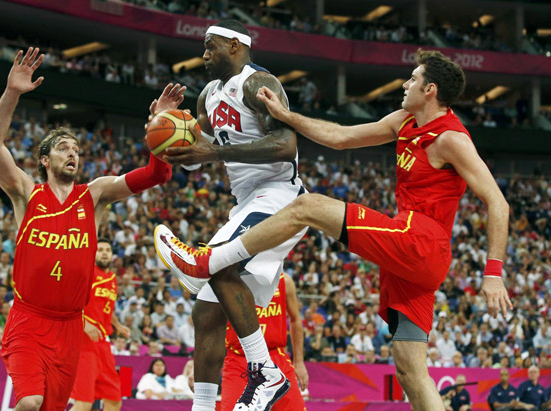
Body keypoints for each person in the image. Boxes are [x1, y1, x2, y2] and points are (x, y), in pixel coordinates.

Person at [156, 49, 512, 411]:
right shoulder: (405, 120)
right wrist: (286, 116)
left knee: (308, 206)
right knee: (410, 370)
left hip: (421, 240)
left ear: (430, 89)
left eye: (413, 79)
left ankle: (208, 261)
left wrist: (493, 273)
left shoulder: (452, 138)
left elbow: (498, 202)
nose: (405, 84)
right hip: (409, 257)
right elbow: (340, 137)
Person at [0, 47, 172, 411]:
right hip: (28, 319)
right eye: (63, 148)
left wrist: (159, 130)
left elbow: (156, 175)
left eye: (76, 150)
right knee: (29, 402)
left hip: (69, 329)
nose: (73, 154)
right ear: (44, 159)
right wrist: (12, 93)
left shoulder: (95, 195)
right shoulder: (26, 193)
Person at [153, 20, 306, 411]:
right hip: (247, 203)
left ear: (236, 46)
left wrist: (214, 154)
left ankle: (265, 373)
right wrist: (167, 127)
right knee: (205, 310)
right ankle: (203, 406)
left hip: (279, 197)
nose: (204, 55)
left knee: (215, 264)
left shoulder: (259, 83)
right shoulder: (208, 95)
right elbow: (196, 153)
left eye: (211, 46)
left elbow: (286, 144)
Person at [220, 273, 308, 411]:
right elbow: (209, 325)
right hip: (239, 360)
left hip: (275, 357)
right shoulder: (227, 280)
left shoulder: (285, 281)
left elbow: (296, 319)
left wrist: (299, 361)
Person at [70, 238, 132, 411]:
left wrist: (118, 325)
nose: (104, 252)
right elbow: (67, 302)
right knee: (84, 402)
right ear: (93, 253)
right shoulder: (85, 273)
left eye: (108, 250)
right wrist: (84, 323)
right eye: (100, 249)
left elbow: (106, 308)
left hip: (103, 344)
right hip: (83, 343)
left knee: (114, 399)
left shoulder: (112, 278)